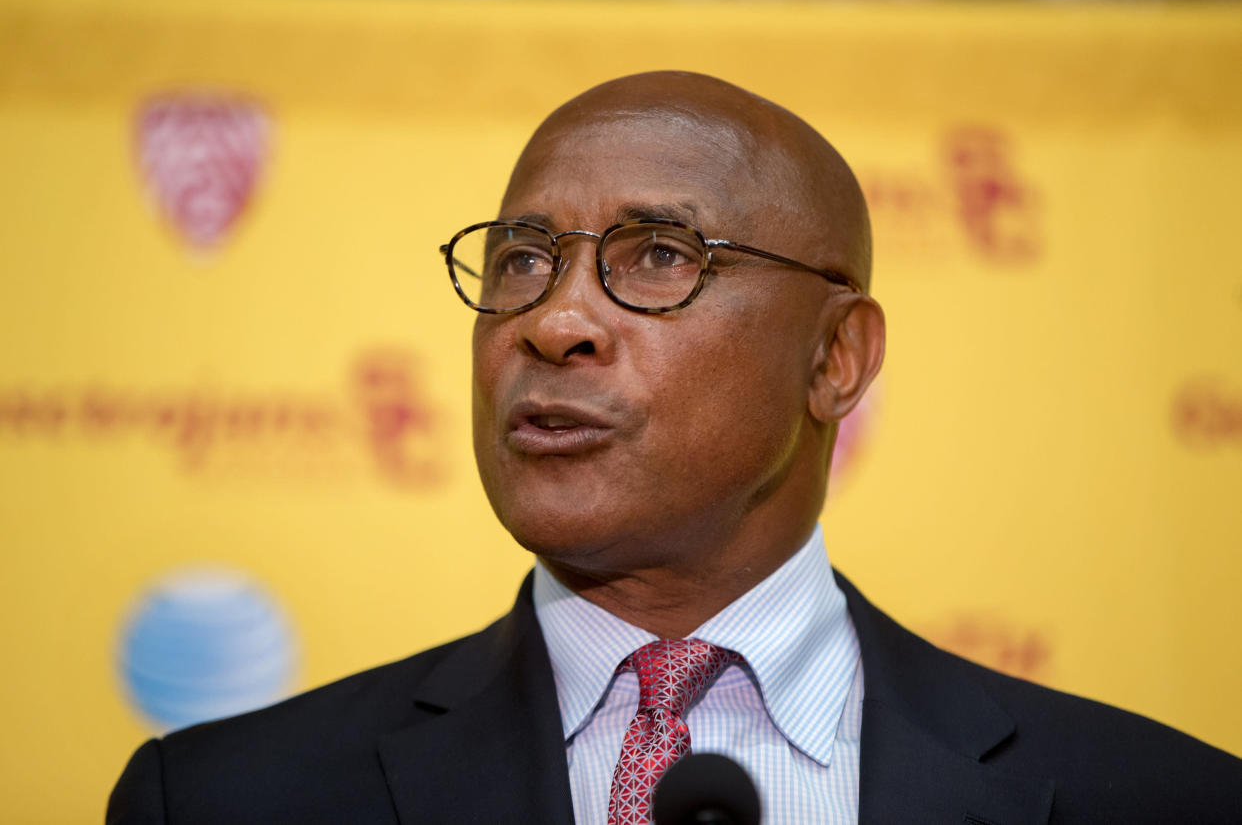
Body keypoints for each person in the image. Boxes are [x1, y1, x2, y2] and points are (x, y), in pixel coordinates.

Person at [108, 71, 1242, 825]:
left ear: (836, 360)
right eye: (520, 259)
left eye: (657, 257)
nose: (553, 320)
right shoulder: (226, 799)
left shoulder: (1156, 801)